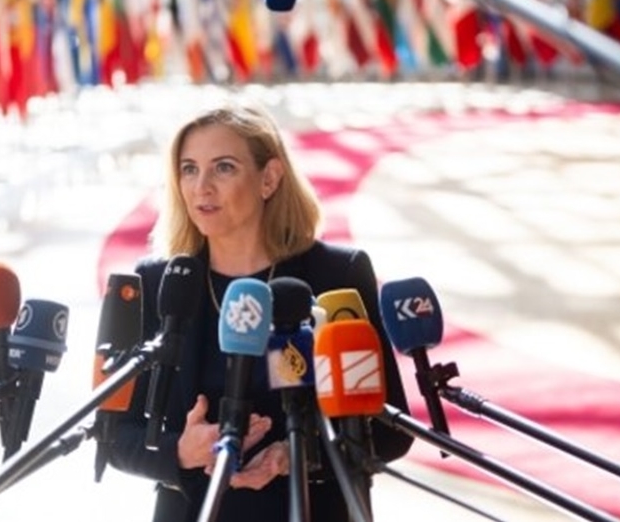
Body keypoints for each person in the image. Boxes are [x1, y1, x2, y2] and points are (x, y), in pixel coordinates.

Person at [107, 101, 414, 521]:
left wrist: (295, 455)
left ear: (269, 178)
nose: (202, 187)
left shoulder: (336, 275)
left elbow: (389, 430)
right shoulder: (157, 282)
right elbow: (113, 438)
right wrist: (181, 451)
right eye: (189, 169)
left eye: (224, 168)